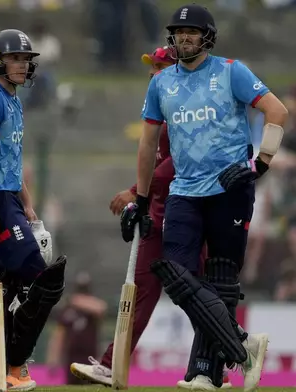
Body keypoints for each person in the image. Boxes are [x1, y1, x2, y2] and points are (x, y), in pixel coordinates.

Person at [121, 4, 288, 391]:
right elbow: (147, 144)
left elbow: (277, 112)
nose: (183, 39)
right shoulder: (161, 83)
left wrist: (258, 165)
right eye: (178, 33)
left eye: (191, 33)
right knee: (177, 274)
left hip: (230, 189)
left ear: (207, 36)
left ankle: (204, 372)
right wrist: (141, 200)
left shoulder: (231, 71)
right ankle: (243, 345)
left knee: (222, 282)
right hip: (184, 191)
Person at [71, 45, 232, 389]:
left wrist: (135, 193)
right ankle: (111, 366)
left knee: (196, 294)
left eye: (159, 67)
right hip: (160, 218)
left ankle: (228, 356)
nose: (151, 73)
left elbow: (178, 164)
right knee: (144, 293)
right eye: (152, 67)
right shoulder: (162, 110)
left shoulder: (189, 111)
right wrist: (140, 201)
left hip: (188, 216)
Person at [0, 29, 65, 392]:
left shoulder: (13, 101)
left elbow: (12, 161)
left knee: (4, 288)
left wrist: (28, 203)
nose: (23, 64)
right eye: (15, 58)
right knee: (40, 277)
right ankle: (11, 363)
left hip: (7, 200)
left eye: (25, 58)